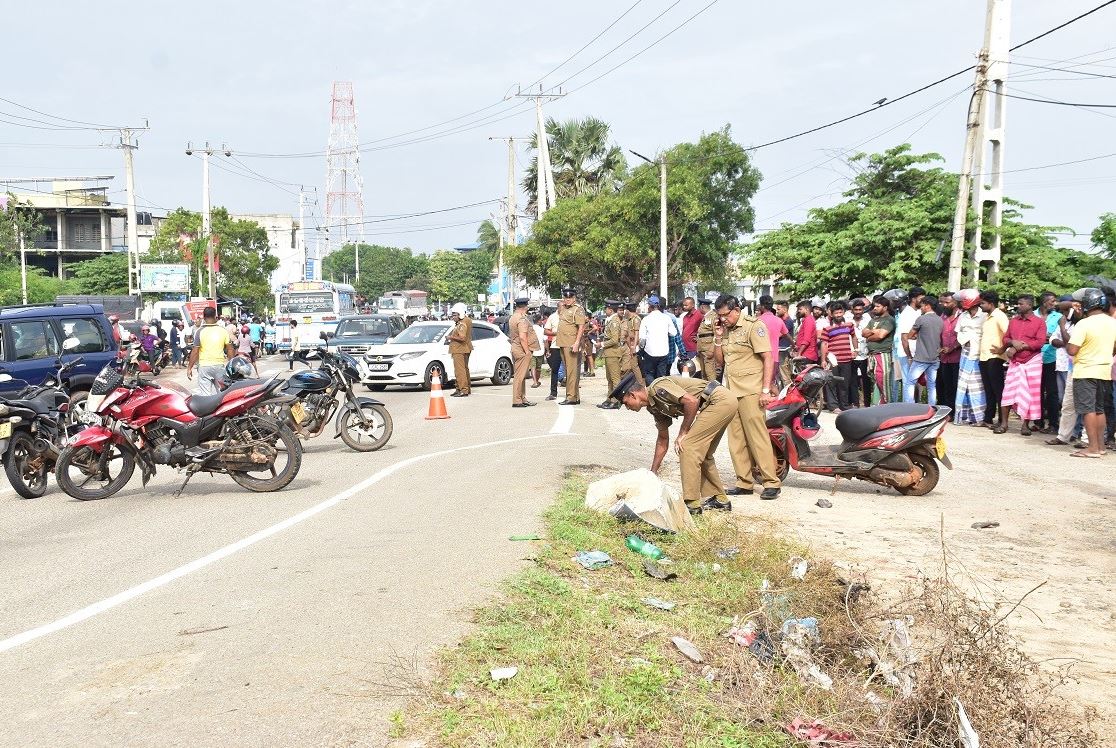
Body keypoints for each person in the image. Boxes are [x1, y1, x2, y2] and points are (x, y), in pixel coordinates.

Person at [612, 372, 738, 514]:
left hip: (719, 400)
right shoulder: (653, 407)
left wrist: (683, 432)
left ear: (633, 395)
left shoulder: (658, 388)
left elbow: (692, 402)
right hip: (719, 403)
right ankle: (721, 500)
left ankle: (692, 504)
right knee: (704, 453)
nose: (627, 407)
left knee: (687, 446)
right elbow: (662, 439)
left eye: (625, 403)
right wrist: (653, 471)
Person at [713, 295, 781, 501]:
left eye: (726, 315)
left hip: (751, 390)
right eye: (720, 316)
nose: (723, 319)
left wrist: (766, 390)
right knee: (736, 440)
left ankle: (771, 482)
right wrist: (717, 337)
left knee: (757, 437)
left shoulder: (754, 326)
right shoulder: (725, 330)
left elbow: (767, 357)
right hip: (732, 391)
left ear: (736, 310)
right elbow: (720, 361)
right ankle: (744, 482)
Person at [1064, 288, 1116, 458]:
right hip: (1104, 371)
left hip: (1085, 370)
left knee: (1088, 410)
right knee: (1099, 410)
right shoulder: (1112, 322)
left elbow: (1072, 350)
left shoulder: (1084, 324)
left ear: (1088, 305)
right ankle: (1100, 446)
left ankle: (1092, 448)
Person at [995, 294, 1047, 435]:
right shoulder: (1013, 321)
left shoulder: (1039, 322)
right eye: (1018, 303)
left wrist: (1020, 346)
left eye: (1021, 304)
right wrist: (1012, 343)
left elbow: (1040, 342)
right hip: (1015, 362)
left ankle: (1025, 425)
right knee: (1008, 393)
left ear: (1030, 305)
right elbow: (1006, 337)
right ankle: (1004, 424)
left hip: (1032, 361)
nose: (1018, 306)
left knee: (1030, 394)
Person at [953, 289, 986, 425]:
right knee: (963, 386)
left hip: (978, 354)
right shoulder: (962, 316)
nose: (960, 303)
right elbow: (958, 332)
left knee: (977, 386)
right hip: (965, 353)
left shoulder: (984, 315)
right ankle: (963, 416)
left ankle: (979, 417)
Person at [904, 295, 943, 405]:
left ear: (927, 306)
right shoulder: (940, 320)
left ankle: (909, 406)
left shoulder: (921, 319)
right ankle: (932, 407)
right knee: (931, 385)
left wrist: (917, 336)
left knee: (910, 382)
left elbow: (909, 335)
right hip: (935, 358)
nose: (921, 308)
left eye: (922, 306)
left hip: (921, 358)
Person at [978, 291, 1009, 427]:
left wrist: (1002, 349)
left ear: (991, 303)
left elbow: (1008, 334)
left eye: (983, 303)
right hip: (984, 356)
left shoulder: (1000, 316)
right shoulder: (987, 317)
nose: (981, 306)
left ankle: (1002, 421)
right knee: (988, 389)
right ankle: (988, 418)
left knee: (998, 390)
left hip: (995, 357)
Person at [187, 306, 235, 395]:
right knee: (223, 395)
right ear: (215, 317)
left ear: (204, 317)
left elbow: (195, 351)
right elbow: (230, 349)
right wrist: (231, 365)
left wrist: (189, 367)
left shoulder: (199, 331)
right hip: (219, 366)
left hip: (204, 367)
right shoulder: (223, 331)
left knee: (206, 396)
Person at [820, 301, 856, 412]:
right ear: (831, 314)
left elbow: (854, 337)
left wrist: (855, 350)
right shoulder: (827, 329)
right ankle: (833, 406)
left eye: (840, 312)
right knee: (831, 383)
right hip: (833, 360)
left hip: (846, 359)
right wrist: (823, 360)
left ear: (843, 312)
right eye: (836, 313)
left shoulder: (849, 325)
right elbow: (824, 344)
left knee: (844, 383)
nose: (839, 315)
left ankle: (844, 405)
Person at [555, 287, 588, 405]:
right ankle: (575, 396)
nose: (568, 299)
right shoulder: (564, 309)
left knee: (571, 371)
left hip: (571, 343)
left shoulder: (577, 309)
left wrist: (577, 343)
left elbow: (581, 327)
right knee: (568, 370)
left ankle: (571, 397)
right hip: (563, 343)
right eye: (566, 297)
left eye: (570, 297)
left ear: (574, 298)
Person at [862, 296, 895, 405]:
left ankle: (887, 405)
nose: (874, 308)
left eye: (877, 306)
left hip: (883, 353)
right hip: (871, 354)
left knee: (883, 380)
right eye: (874, 306)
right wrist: (874, 331)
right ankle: (881, 402)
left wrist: (870, 335)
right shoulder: (873, 320)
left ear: (885, 307)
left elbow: (881, 335)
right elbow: (863, 333)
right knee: (875, 379)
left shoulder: (889, 320)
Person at [1037, 292, 1062, 433]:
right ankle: (1038, 422)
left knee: (1052, 392)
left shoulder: (1058, 317)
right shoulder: (1033, 314)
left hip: (1052, 358)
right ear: (1044, 302)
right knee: (1036, 391)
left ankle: (1053, 424)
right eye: (1052, 301)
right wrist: (1044, 337)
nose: (1054, 303)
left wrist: (1048, 337)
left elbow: (1055, 337)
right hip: (1034, 358)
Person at [896, 286, 926, 402]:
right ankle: (908, 407)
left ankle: (916, 405)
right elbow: (904, 337)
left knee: (917, 382)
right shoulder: (906, 314)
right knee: (908, 382)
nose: (923, 301)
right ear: (914, 299)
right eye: (921, 298)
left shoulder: (920, 312)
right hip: (906, 353)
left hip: (917, 352)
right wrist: (909, 356)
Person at [507, 298, 538, 408]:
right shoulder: (521, 319)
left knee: (521, 375)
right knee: (519, 376)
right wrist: (527, 351)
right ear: (525, 306)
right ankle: (517, 400)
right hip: (521, 349)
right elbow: (522, 337)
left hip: (516, 347)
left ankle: (522, 397)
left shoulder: (513, 317)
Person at [756, 295, 790, 388]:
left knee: (764, 386)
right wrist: (794, 345)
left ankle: (778, 400)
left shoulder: (757, 321)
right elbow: (787, 335)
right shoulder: (779, 320)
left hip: (760, 359)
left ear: (762, 306)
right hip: (774, 358)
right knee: (771, 383)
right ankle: (778, 400)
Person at [638, 295, 673, 382]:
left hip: (650, 352)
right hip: (663, 352)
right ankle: (660, 393)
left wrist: (641, 349)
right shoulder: (666, 318)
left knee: (649, 374)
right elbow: (673, 333)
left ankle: (651, 392)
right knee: (661, 377)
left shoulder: (646, 319)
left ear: (650, 306)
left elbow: (642, 339)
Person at [937, 292, 962, 411]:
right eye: (941, 302)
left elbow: (965, 337)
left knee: (956, 386)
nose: (943, 305)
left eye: (947, 302)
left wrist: (952, 347)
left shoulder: (962, 316)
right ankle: (946, 410)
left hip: (958, 357)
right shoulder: (942, 316)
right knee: (945, 386)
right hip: (943, 358)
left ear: (955, 303)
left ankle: (955, 411)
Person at [598, 300, 625, 409]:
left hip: (613, 352)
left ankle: (615, 400)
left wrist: (602, 344)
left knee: (615, 378)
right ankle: (610, 398)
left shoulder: (614, 321)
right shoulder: (611, 320)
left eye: (606, 309)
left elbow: (614, 340)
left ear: (610, 309)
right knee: (609, 378)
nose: (605, 310)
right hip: (609, 353)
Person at [447, 302, 473, 397]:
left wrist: (450, 337)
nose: (453, 317)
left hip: (459, 349)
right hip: (465, 348)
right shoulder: (467, 320)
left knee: (459, 370)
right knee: (464, 369)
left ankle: (463, 389)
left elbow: (462, 337)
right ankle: (464, 388)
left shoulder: (462, 323)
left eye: (455, 315)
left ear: (460, 314)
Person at [849, 299, 871, 407]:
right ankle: (856, 403)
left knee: (866, 379)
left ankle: (867, 403)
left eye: (860, 309)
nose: (858, 311)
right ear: (852, 310)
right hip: (852, 354)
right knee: (853, 380)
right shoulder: (848, 321)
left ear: (863, 310)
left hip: (865, 353)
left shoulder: (868, 320)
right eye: (856, 309)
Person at [543, 306, 562, 401]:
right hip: (555, 346)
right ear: (558, 308)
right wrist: (556, 333)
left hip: (568, 346)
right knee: (554, 370)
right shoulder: (552, 317)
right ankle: (553, 393)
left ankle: (572, 394)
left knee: (571, 370)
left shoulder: (570, 315)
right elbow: (546, 331)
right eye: (562, 306)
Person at [531, 313, 547, 388]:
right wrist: (548, 351)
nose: (542, 321)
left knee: (533, 367)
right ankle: (536, 381)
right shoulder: (542, 330)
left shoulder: (530, 329)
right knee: (538, 368)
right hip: (540, 351)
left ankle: (535, 382)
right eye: (541, 320)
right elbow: (545, 340)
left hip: (532, 350)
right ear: (538, 321)